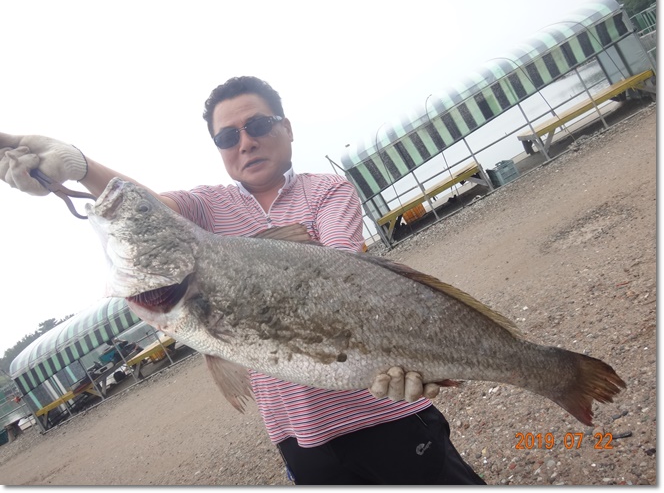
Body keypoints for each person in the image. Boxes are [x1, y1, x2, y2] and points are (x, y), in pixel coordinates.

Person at [0, 76, 485, 485]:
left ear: (286, 127)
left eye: (257, 125)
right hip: (298, 436)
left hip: (386, 411)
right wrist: (79, 167)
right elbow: (149, 212)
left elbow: (343, 278)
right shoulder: (206, 207)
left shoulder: (327, 191)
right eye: (227, 137)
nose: (245, 142)